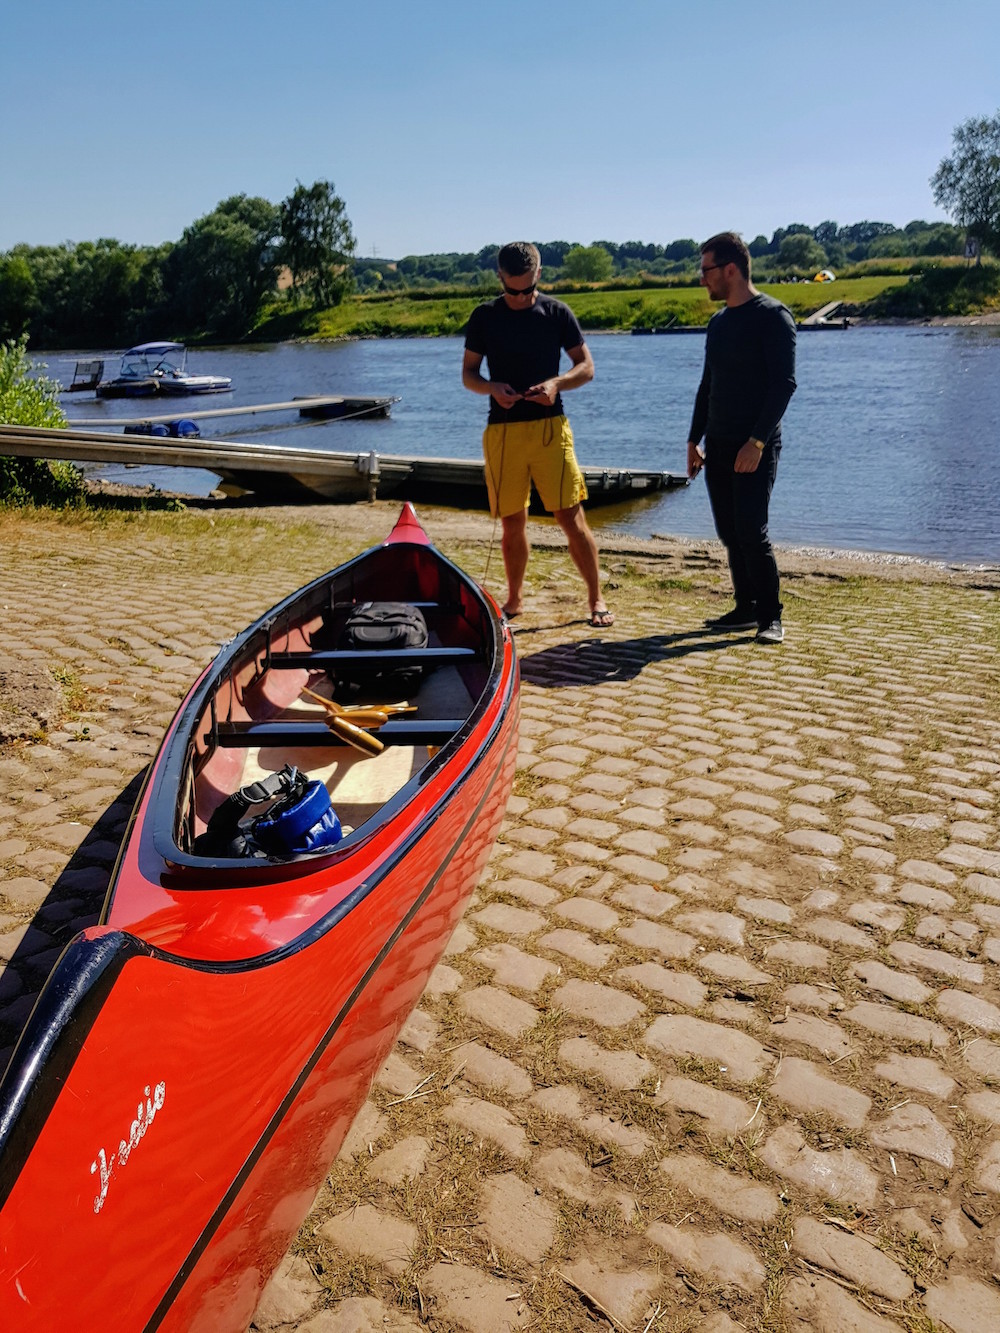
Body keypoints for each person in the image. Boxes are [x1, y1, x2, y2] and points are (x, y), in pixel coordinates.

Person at [462, 241, 613, 627]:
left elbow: (587, 367)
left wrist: (557, 384)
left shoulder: (556, 313)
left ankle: (596, 600)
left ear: (539, 276)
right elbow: (469, 375)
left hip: (550, 429)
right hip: (503, 433)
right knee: (513, 523)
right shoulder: (484, 317)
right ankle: (514, 602)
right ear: (500, 278)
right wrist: (492, 388)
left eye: (527, 289)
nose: (520, 296)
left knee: (571, 517)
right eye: (513, 290)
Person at [686, 231, 796, 644]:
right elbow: (707, 384)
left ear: (730, 269)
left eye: (707, 270)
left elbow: (783, 384)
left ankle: (771, 617)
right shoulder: (718, 323)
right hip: (718, 443)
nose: (703, 279)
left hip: (755, 444)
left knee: (752, 530)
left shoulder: (773, 316)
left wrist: (758, 442)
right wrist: (693, 440)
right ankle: (745, 607)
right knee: (730, 532)